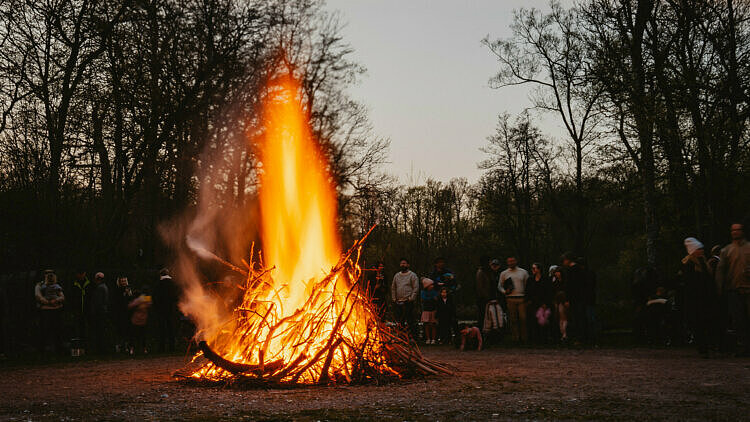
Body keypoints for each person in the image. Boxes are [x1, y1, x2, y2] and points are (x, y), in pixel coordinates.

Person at [680, 237, 718, 357]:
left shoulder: (703, 262)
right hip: (696, 299)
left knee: (706, 322)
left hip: (705, 298)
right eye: (699, 249)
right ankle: (703, 347)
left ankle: (706, 346)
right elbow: (689, 284)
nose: (702, 251)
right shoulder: (689, 264)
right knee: (699, 323)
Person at [716, 222, 750, 356]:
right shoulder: (726, 250)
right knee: (738, 320)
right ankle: (744, 347)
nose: (735, 232)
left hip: (748, 289)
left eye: (738, 230)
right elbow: (720, 271)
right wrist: (720, 288)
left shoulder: (749, 248)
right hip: (734, 290)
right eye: (733, 230)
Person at [499, 256, 529, 343]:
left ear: (516, 261)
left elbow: (527, 284)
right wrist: (505, 292)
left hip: (521, 298)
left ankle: (524, 338)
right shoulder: (504, 273)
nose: (511, 263)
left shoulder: (523, 272)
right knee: (513, 319)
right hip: (510, 298)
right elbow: (499, 286)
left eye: (512, 261)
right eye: (509, 261)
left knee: (523, 318)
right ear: (507, 262)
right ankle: (515, 338)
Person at [35, 270, 65, 355]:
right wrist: (48, 302)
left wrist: (56, 300)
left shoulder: (56, 286)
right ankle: (43, 351)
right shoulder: (40, 286)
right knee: (45, 331)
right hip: (46, 310)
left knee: (57, 330)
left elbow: (62, 297)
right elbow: (38, 296)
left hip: (56, 310)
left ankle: (58, 350)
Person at [561, 252, 587, 343]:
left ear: (568, 260)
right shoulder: (580, 270)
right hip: (580, 298)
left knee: (575, 318)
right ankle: (580, 337)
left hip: (574, 298)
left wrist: (567, 299)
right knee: (579, 317)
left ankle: (577, 337)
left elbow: (569, 286)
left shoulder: (571, 271)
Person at [153, 268, 179, 353]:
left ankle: (162, 347)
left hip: (161, 309)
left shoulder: (158, 284)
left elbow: (155, 297)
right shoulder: (173, 283)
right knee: (171, 328)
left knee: (162, 329)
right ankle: (172, 347)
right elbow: (176, 296)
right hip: (171, 309)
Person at [391, 258, 418, 336]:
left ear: (408, 265)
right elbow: (393, 287)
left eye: (404, 263)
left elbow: (415, 288)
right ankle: (402, 337)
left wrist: (411, 298)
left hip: (408, 301)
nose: (403, 265)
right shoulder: (397, 275)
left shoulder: (412, 275)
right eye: (401, 263)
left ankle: (413, 337)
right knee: (400, 321)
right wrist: (394, 299)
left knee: (410, 320)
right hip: (398, 301)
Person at [526, 263, 553, 343]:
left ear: (539, 269)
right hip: (532, 303)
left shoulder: (545, 279)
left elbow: (548, 292)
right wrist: (528, 300)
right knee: (533, 320)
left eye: (534, 268)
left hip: (542, 303)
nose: (533, 270)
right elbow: (527, 291)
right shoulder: (530, 279)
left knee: (543, 320)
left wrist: (546, 303)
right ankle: (534, 339)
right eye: (532, 268)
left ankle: (544, 339)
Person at [65, 269, 91, 344]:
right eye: (79, 273)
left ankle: (87, 344)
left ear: (85, 273)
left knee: (87, 328)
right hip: (77, 310)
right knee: (78, 328)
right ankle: (79, 344)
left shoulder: (89, 283)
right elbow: (70, 297)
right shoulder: (73, 284)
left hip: (87, 310)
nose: (81, 275)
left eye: (82, 273)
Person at [89, 272, 110, 354]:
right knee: (102, 331)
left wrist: (94, 311)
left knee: (100, 331)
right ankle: (102, 349)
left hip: (100, 312)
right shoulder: (104, 287)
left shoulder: (100, 288)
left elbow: (98, 302)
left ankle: (101, 349)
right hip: (103, 311)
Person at [112, 276, 134, 353]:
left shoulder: (129, 289)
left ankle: (127, 346)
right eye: (122, 281)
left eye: (124, 281)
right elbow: (117, 302)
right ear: (119, 282)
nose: (123, 282)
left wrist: (128, 294)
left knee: (128, 331)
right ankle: (120, 346)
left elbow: (131, 300)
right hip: (120, 314)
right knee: (120, 331)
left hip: (128, 314)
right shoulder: (117, 290)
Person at [128, 287, 152, 355]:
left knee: (134, 335)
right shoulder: (149, 299)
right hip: (144, 319)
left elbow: (130, 305)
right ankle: (144, 349)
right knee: (143, 335)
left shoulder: (140, 299)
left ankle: (132, 349)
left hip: (136, 319)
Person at [550, 265, 569, 342]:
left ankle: (565, 334)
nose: (557, 274)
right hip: (558, 301)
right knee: (560, 318)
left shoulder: (565, 282)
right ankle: (563, 334)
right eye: (556, 272)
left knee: (565, 317)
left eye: (559, 272)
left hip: (565, 301)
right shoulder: (555, 282)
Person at [475, 256, 494, 329]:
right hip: (483, 299)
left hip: (488, 298)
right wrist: (487, 297)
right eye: (489, 262)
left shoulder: (488, 271)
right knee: (482, 316)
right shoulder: (481, 272)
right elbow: (480, 287)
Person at [420, 278, 438, 344]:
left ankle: (433, 339)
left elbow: (436, 298)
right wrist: (431, 299)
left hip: (433, 310)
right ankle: (428, 338)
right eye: (431, 285)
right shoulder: (423, 292)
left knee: (433, 324)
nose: (432, 286)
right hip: (426, 310)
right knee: (426, 325)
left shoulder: (434, 292)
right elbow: (424, 299)